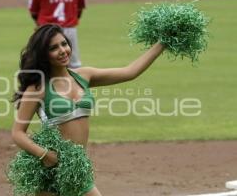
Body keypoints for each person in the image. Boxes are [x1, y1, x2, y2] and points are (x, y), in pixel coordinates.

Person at [11, 24, 165, 196]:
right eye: (54, 48)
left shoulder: (84, 75)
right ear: (43, 54)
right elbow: (18, 133)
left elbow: (130, 72)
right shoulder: (38, 87)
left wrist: (163, 42)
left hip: (76, 170)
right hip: (50, 172)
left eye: (64, 44)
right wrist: (45, 155)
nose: (62, 50)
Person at [28, 0, 86, 68]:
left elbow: (34, 12)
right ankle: (74, 78)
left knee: (41, 60)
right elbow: (79, 10)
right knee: (74, 63)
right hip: (69, 27)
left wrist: (41, 28)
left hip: (46, 29)